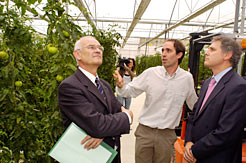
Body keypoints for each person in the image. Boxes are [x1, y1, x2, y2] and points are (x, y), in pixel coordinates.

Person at [113, 39, 198, 163]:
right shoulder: (151, 73)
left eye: (168, 50)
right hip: (145, 132)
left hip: (167, 135)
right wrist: (121, 85)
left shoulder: (186, 79)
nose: (163, 54)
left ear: (179, 55)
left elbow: (194, 105)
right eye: (162, 50)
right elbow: (129, 91)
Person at [58, 36, 133, 163]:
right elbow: (97, 125)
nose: (98, 51)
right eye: (91, 47)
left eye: (100, 48)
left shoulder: (104, 85)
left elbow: (116, 111)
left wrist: (104, 130)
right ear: (77, 54)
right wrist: (128, 117)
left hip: (111, 155)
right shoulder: (70, 86)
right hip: (88, 156)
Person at [184, 35, 246, 163]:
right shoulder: (207, 83)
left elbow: (226, 132)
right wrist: (189, 141)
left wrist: (195, 150)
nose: (206, 52)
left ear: (227, 55)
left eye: (212, 49)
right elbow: (194, 116)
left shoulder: (238, 87)